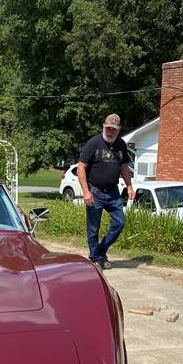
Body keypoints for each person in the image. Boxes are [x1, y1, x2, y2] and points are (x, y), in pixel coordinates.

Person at [77, 113, 134, 269]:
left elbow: (124, 167)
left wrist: (129, 186)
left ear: (118, 130)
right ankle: (95, 258)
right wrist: (86, 191)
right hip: (95, 191)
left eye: (113, 130)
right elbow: (81, 167)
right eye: (108, 128)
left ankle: (100, 252)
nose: (110, 132)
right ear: (104, 126)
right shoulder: (94, 143)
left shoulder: (121, 145)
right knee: (93, 228)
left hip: (113, 192)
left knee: (119, 223)